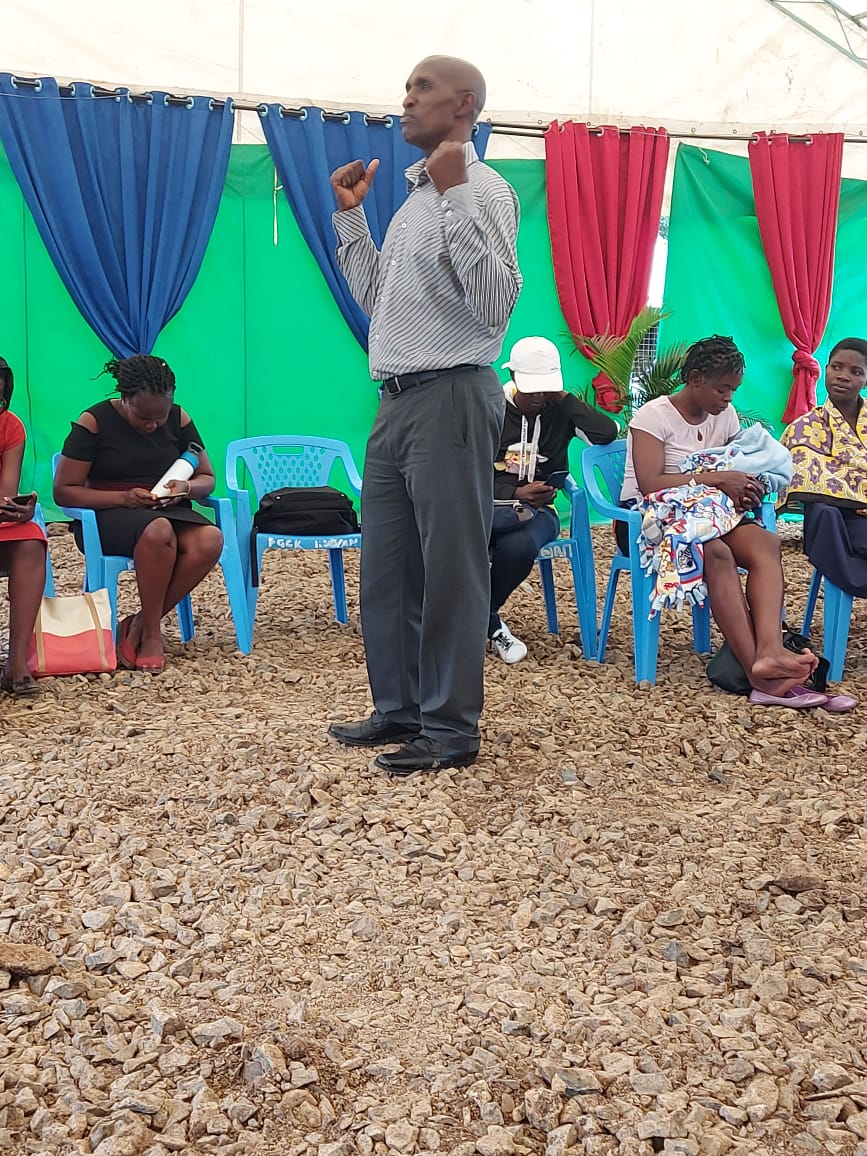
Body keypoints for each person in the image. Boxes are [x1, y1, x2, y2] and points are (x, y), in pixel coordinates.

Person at [326, 56, 522, 775]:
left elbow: (495, 303)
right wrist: (352, 218)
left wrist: (456, 196)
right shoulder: (413, 201)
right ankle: (401, 707)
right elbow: (378, 300)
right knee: (387, 568)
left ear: (464, 104)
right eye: (407, 87)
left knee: (450, 569)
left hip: (452, 395)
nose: (405, 100)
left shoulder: (483, 190)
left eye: (421, 88)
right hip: (396, 401)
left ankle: (449, 728)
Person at [621, 334, 819, 705]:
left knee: (767, 542)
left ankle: (771, 650)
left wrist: (744, 487)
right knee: (716, 553)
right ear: (696, 379)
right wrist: (719, 479)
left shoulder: (723, 415)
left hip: (709, 515)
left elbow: (730, 464)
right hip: (652, 520)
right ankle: (757, 673)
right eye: (722, 389)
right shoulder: (653, 416)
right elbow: (649, 484)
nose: (728, 398)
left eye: (733, 390)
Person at [54, 355, 223, 674]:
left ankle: (140, 624)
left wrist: (185, 488)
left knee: (210, 538)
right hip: (109, 512)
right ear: (125, 398)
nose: (153, 425)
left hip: (166, 507)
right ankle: (153, 636)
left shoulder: (179, 418)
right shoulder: (94, 422)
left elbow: (207, 477)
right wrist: (124, 498)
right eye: (144, 417)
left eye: (160, 418)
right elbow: (64, 491)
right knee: (159, 531)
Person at [489, 336, 617, 663]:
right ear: (513, 376)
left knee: (519, 548)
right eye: (531, 387)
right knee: (456, 542)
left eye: (544, 388)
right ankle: (487, 623)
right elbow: (466, 469)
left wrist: (563, 398)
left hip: (538, 512)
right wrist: (514, 492)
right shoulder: (491, 409)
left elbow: (606, 433)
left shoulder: (560, 410)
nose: (538, 396)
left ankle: (481, 618)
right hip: (488, 507)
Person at [781, 337, 867, 597]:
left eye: (856, 371)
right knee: (824, 511)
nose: (843, 376)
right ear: (826, 369)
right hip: (839, 521)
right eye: (836, 367)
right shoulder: (803, 428)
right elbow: (800, 479)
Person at [0, 356, 48, 695]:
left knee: (30, 540)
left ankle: (16, 663)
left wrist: (18, 509)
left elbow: (5, 491)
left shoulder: (10, 426)